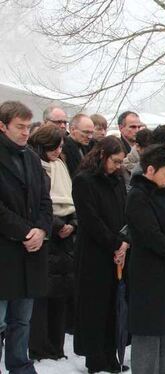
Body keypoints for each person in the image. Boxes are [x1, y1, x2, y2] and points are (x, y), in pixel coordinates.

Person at [126, 144, 165, 374]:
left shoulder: (163, 192)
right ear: (150, 170)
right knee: (148, 335)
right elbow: (149, 233)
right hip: (149, 275)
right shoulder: (138, 195)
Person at [0, 101, 52, 374]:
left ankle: (20, 366)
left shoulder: (31, 157)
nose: (24, 133)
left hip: (31, 252)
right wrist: (25, 231)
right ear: (2, 125)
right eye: (18, 127)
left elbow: (45, 200)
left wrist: (42, 230)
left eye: (27, 127)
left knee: (22, 321)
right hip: (5, 252)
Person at [72, 136, 129, 373]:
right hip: (94, 252)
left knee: (112, 308)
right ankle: (95, 357)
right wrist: (116, 243)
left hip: (118, 251)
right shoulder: (84, 180)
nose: (118, 166)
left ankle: (111, 353)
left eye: (121, 162)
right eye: (115, 161)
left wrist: (125, 242)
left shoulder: (117, 179)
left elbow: (126, 212)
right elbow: (90, 220)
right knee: (94, 306)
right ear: (102, 156)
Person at [27, 124, 76, 361]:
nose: (58, 151)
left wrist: (72, 224)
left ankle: (56, 346)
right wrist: (57, 226)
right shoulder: (35, 164)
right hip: (46, 234)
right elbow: (38, 202)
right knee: (42, 297)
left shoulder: (60, 164)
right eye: (54, 146)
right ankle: (40, 346)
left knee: (60, 296)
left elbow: (72, 197)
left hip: (66, 233)